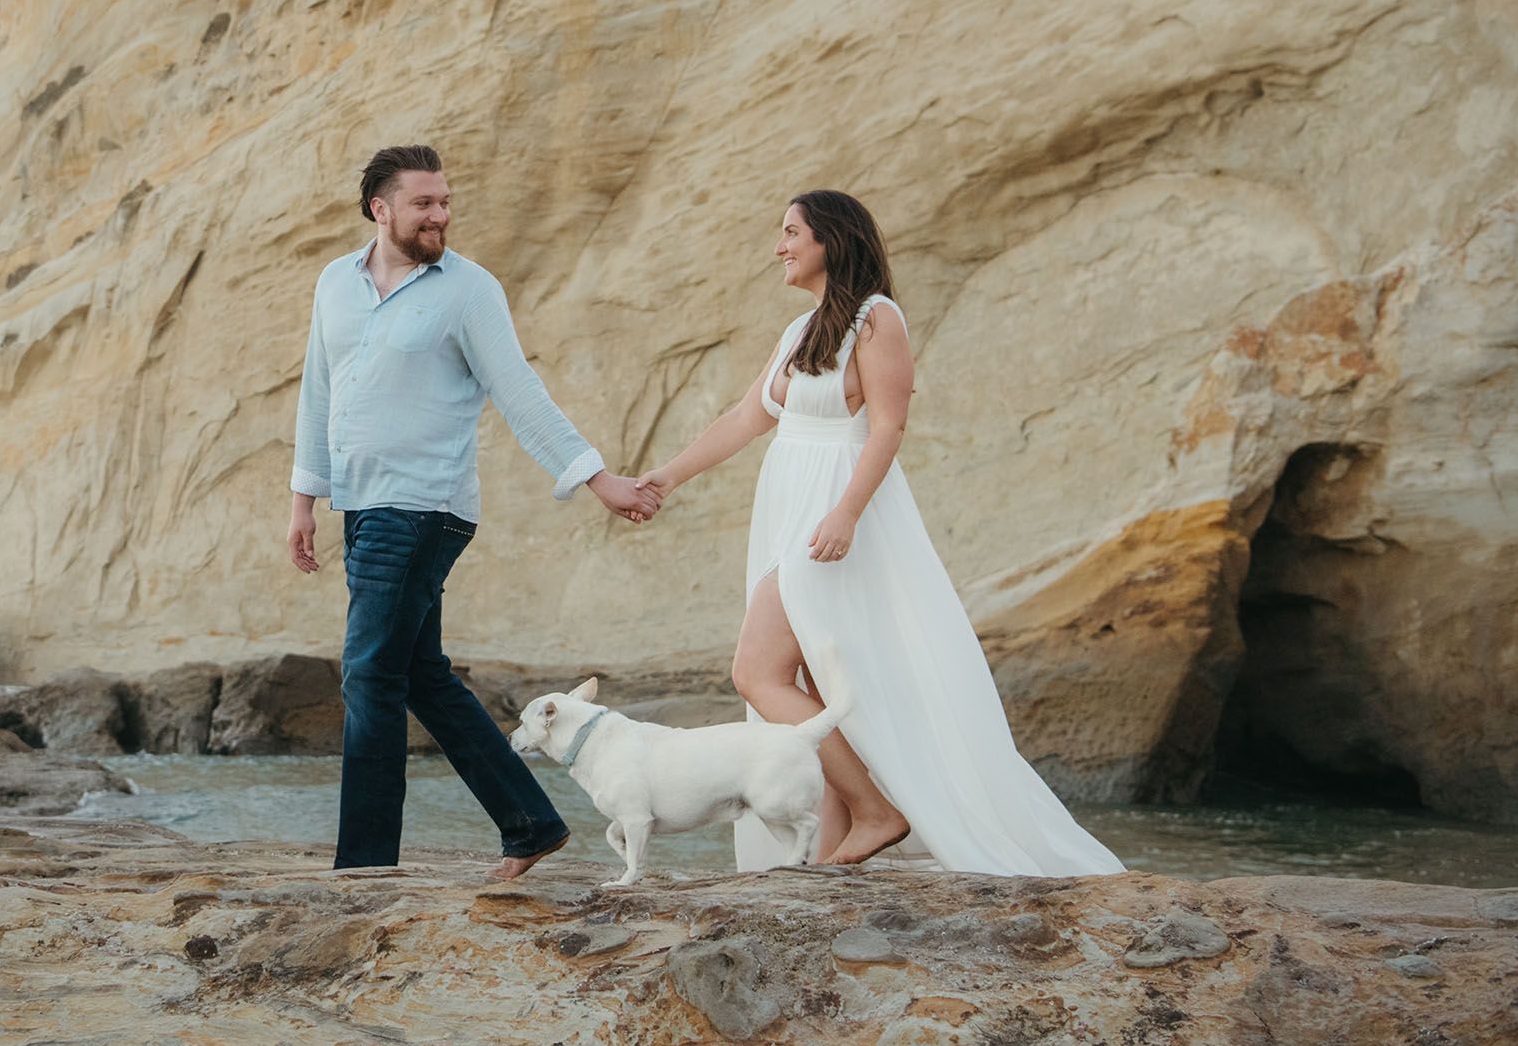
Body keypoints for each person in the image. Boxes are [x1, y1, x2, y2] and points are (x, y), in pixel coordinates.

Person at [639, 190, 1123, 876]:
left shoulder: (877, 318)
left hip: (833, 512)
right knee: (813, 675)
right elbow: (745, 420)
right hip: (787, 507)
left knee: (757, 671)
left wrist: (845, 513)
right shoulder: (797, 331)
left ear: (830, 241)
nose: (779, 248)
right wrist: (664, 478)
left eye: (790, 234)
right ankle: (833, 852)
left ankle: (876, 812)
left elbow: (889, 427)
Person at [288, 144, 661, 879]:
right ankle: (529, 823)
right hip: (360, 506)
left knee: (367, 675)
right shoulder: (335, 283)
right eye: (425, 203)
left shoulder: (468, 290)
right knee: (418, 674)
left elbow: (519, 391)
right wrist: (304, 500)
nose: (441, 215)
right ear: (381, 209)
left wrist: (595, 477)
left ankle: (363, 868)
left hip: (424, 506)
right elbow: (317, 394)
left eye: (446, 201)